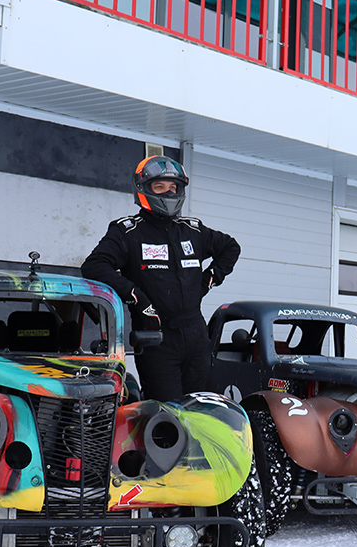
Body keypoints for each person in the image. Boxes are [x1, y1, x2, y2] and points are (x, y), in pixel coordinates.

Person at [81, 155, 240, 401]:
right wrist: (136, 297)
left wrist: (210, 279)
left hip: (196, 336)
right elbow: (94, 266)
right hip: (156, 338)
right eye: (159, 187)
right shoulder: (127, 231)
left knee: (201, 406)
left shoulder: (192, 229)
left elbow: (230, 247)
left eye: (173, 187)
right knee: (166, 413)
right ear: (143, 189)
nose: (168, 193)